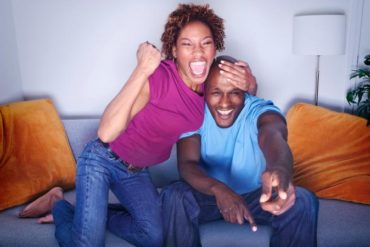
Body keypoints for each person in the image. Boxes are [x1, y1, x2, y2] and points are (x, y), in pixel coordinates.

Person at [18, 4, 256, 247]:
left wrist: (251, 82)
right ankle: (58, 204)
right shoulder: (158, 77)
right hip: (102, 160)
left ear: (215, 47)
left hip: (136, 171)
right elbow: (106, 132)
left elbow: (241, 102)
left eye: (205, 43)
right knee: (87, 244)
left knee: (152, 236)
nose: (197, 52)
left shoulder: (210, 85)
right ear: (173, 49)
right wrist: (142, 69)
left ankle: (80, 212)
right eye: (187, 44)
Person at [160, 55, 319, 247]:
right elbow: (187, 164)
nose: (225, 103)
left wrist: (280, 170)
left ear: (246, 93)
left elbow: (273, 136)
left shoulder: (259, 110)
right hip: (208, 197)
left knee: (303, 200)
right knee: (174, 194)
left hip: (256, 197)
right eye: (216, 92)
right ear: (205, 91)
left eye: (235, 92)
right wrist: (220, 190)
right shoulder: (194, 111)